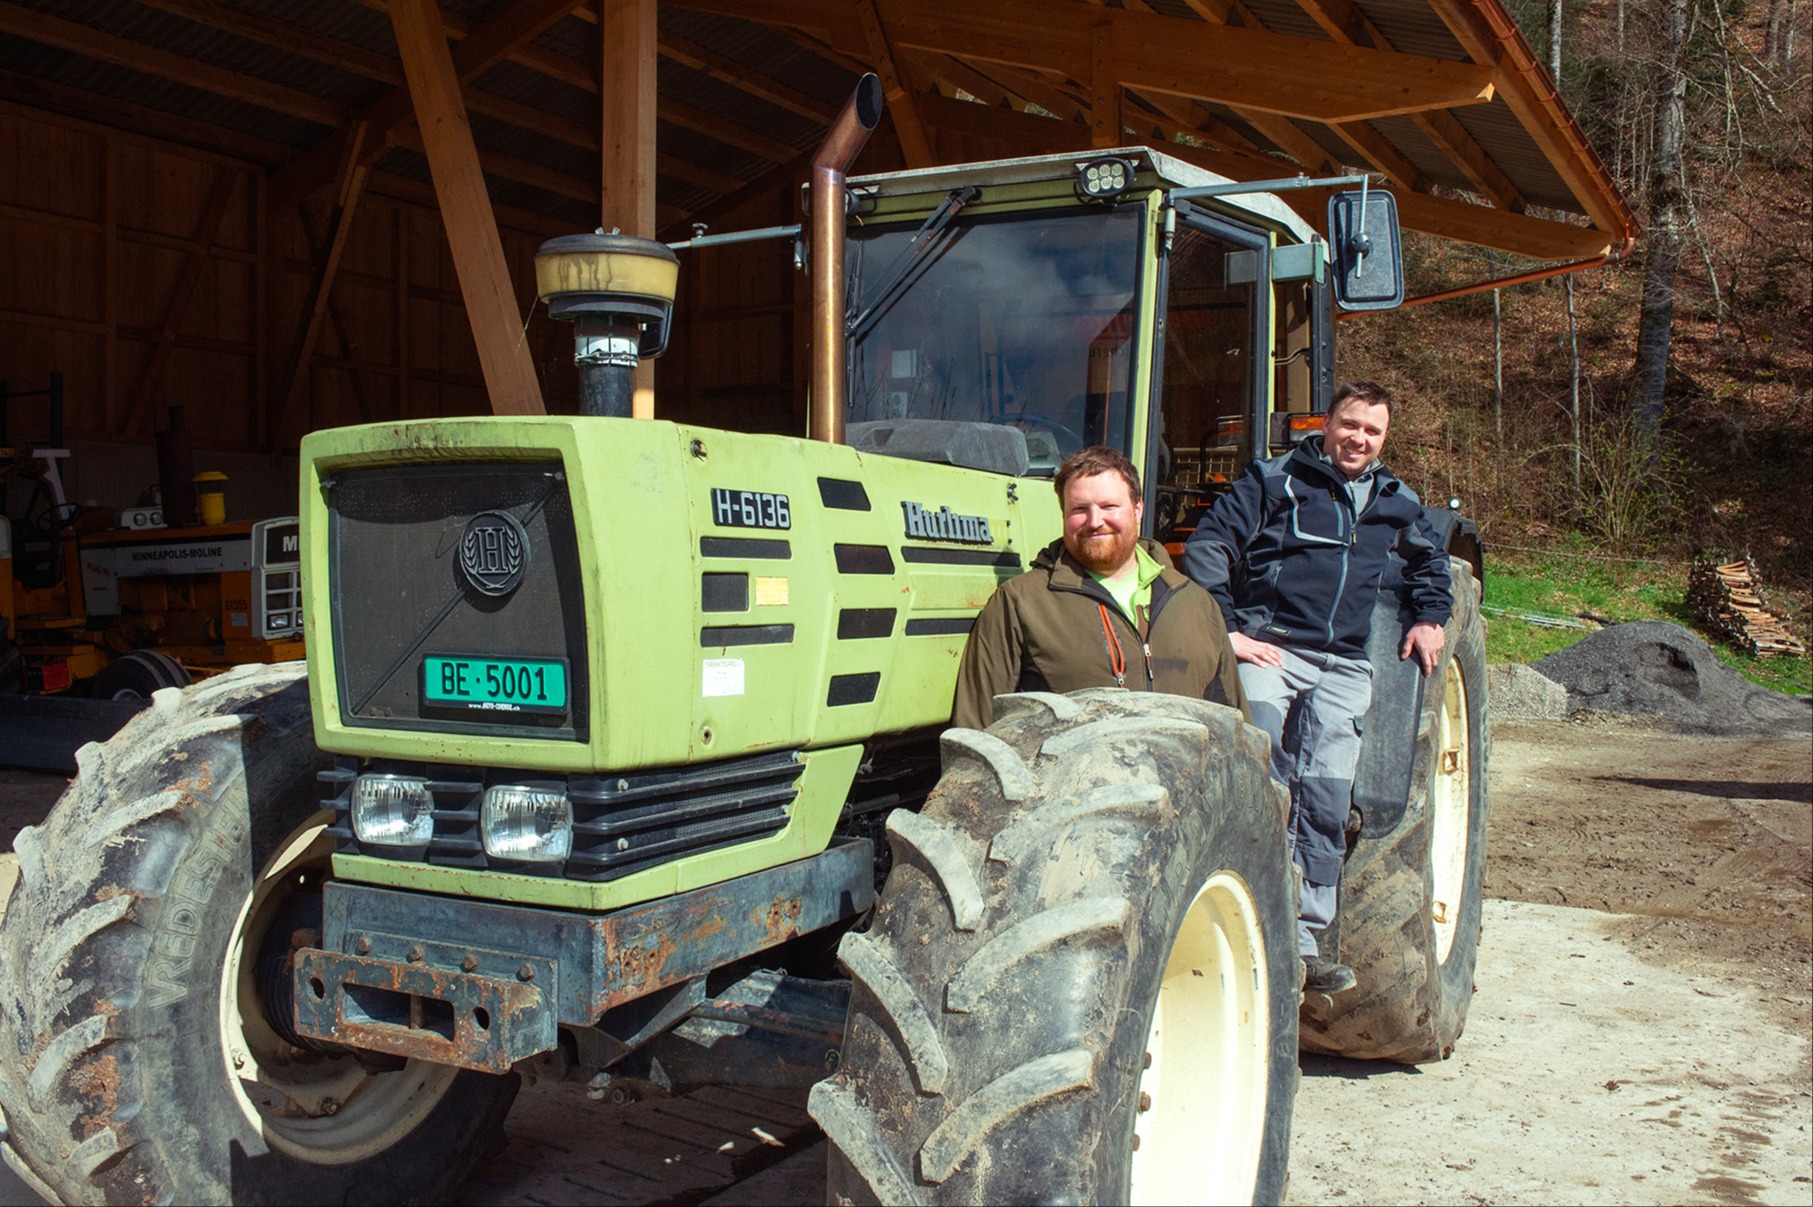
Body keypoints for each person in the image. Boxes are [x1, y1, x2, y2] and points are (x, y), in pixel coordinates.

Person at [1181, 381, 1452, 995]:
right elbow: (1210, 545)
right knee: (1261, 768)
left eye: (1372, 431)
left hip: (1344, 665)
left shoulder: (1395, 498)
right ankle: (1248, 921)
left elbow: (1430, 563)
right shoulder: (1275, 480)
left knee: (1328, 800)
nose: (1358, 438)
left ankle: (1303, 945)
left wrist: (1431, 616)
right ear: (1326, 425)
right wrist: (1226, 628)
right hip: (1272, 648)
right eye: (1349, 425)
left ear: (1384, 439)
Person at [952, 446, 1247, 732]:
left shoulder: (1196, 604)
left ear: (1137, 509)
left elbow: (1236, 729)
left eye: (1109, 506)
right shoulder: (1020, 603)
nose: (1095, 522)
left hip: (1183, 782)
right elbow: (976, 731)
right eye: (1080, 509)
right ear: (1064, 515)